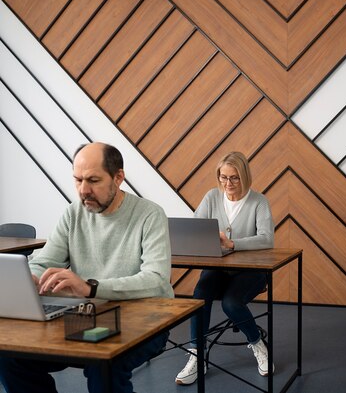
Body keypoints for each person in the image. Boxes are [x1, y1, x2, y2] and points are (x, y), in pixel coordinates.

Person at [0, 142, 174, 393]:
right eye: (78, 180)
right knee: (9, 356)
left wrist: (91, 288)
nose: (83, 190)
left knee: (104, 365)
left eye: (93, 180)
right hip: (84, 315)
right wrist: (32, 277)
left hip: (146, 319)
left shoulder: (150, 214)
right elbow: (44, 261)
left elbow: (156, 279)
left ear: (118, 178)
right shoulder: (73, 213)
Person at [176, 151, 274, 386]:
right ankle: (197, 354)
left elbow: (267, 239)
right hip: (217, 268)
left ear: (244, 177)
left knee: (231, 303)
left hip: (251, 271)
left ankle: (257, 343)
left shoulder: (259, 201)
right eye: (223, 177)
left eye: (234, 178)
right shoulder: (211, 197)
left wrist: (234, 244)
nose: (228, 184)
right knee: (199, 296)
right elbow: (195, 228)